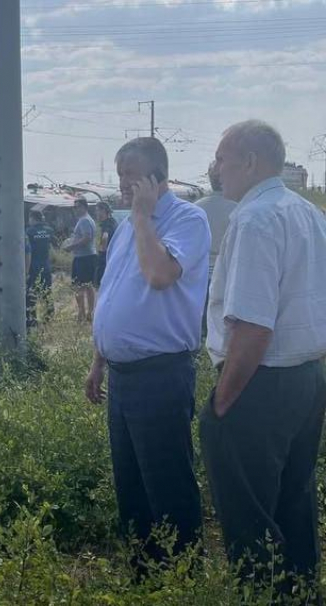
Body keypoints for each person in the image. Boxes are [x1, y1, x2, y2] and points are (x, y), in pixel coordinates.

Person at [201, 120, 326, 596]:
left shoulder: (255, 219)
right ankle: (300, 590)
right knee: (294, 498)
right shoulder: (308, 214)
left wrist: (224, 399)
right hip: (306, 379)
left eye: (221, 159)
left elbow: (253, 327)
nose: (216, 170)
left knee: (248, 510)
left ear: (250, 161)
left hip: (261, 381)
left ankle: (260, 593)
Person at [85, 137, 210, 579]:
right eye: (119, 176)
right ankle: (146, 574)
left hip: (161, 374)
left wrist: (142, 216)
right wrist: (99, 359)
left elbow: (158, 275)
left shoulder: (188, 220)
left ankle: (184, 576)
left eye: (132, 175)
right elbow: (116, 291)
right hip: (122, 374)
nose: (123, 184)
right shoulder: (125, 228)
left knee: (167, 483)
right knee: (132, 485)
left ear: (159, 177)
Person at [195, 162, 236, 335]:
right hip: (227, 277)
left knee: (201, 325)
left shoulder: (196, 208)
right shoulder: (239, 209)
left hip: (199, 275)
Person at [64, 198, 97, 322]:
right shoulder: (87, 219)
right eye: (74, 206)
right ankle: (89, 313)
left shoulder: (84, 220)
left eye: (77, 206)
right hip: (88, 256)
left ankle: (82, 313)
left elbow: (87, 238)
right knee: (88, 286)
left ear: (84, 207)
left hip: (83, 257)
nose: (75, 209)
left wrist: (71, 247)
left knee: (79, 286)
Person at [25, 209, 54, 327]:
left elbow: (27, 249)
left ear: (32, 218)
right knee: (47, 291)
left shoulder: (29, 232)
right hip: (46, 265)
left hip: (33, 265)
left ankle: (32, 318)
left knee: (31, 293)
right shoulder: (49, 230)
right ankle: (49, 315)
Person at [94, 202, 118, 288]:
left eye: (98, 210)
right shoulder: (113, 222)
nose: (97, 213)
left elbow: (105, 236)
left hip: (105, 258)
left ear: (104, 211)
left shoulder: (107, 223)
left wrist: (102, 248)